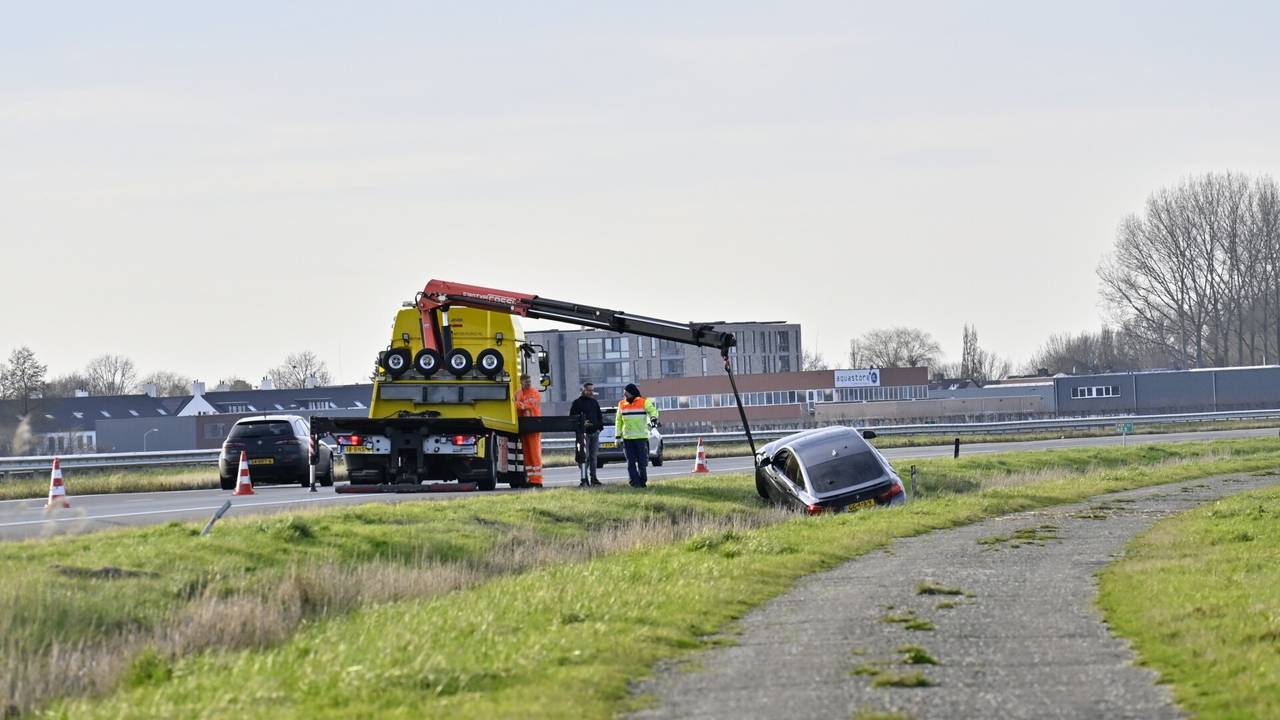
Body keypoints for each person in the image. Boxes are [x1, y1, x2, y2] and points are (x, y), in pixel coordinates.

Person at [616, 383, 659, 488]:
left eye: (626, 393)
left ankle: (642, 481)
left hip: (641, 438)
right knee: (630, 463)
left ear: (632, 392)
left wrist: (653, 418)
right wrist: (617, 436)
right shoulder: (621, 404)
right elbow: (618, 421)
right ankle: (634, 483)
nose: (625, 395)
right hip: (628, 438)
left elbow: (653, 411)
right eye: (624, 393)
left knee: (642, 462)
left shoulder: (644, 402)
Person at [569, 382, 604, 487]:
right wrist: (582, 424)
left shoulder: (594, 402)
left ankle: (594, 478)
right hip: (583, 435)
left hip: (595, 433)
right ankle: (584, 479)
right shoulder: (576, 403)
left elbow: (599, 416)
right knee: (584, 457)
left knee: (594, 457)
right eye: (589, 390)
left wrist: (599, 428)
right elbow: (572, 418)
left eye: (592, 390)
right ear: (583, 390)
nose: (591, 392)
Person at [514, 374, 543, 487]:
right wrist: (520, 405)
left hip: (534, 425)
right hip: (524, 426)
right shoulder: (518, 393)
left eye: (529, 380)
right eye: (526, 381)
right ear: (521, 382)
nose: (528, 382)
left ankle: (537, 480)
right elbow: (515, 405)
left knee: (534, 454)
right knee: (527, 455)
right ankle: (531, 479)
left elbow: (528, 405)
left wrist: (520, 405)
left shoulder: (534, 393)